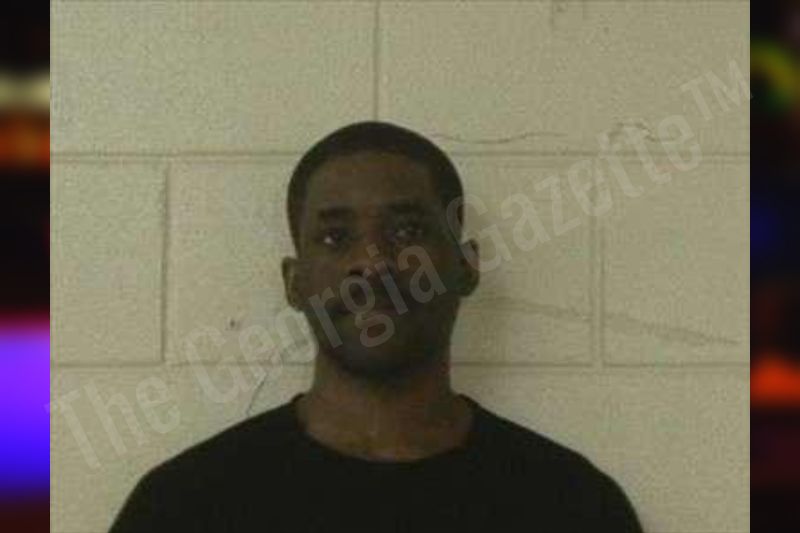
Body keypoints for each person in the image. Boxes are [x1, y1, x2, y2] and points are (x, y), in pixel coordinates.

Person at [109, 121, 643, 533]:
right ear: (294, 282)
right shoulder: (185, 506)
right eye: (335, 238)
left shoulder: (571, 505)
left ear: (465, 266)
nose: (374, 262)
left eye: (408, 231)